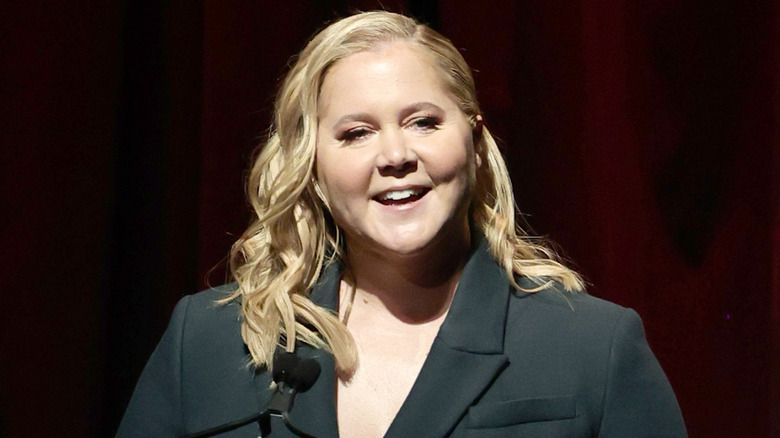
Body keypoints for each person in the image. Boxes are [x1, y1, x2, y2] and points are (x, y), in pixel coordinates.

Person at [117, 11, 686, 438]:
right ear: (311, 166)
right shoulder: (209, 342)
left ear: (477, 143)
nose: (394, 154)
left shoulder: (592, 349)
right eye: (355, 133)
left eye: (423, 122)